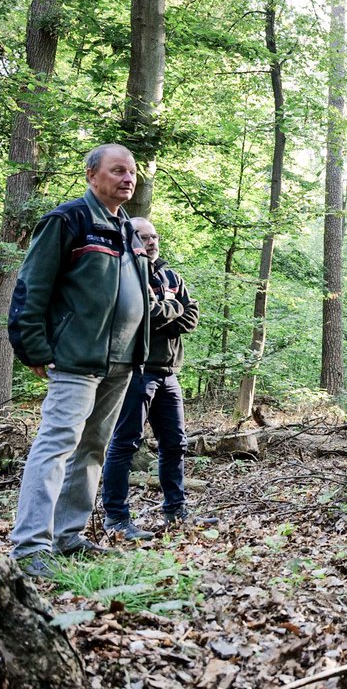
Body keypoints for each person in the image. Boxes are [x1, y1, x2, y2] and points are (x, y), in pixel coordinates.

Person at [7, 144, 150, 578]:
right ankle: (30, 546)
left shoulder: (127, 228)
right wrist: (33, 347)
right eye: (117, 170)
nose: (128, 178)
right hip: (76, 358)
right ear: (92, 175)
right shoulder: (67, 220)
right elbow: (31, 287)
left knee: (91, 448)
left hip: (121, 361)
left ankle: (68, 537)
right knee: (55, 446)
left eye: (132, 173)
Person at [100, 217, 211, 540]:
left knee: (175, 443)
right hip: (136, 370)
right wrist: (170, 309)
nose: (151, 242)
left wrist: (166, 308)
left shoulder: (171, 275)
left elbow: (191, 317)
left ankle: (175, 511)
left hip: (168, 373)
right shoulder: (124, 271)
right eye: (143, 237)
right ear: (131, 239)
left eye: (154, 236)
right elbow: (139, 316)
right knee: (126, 443)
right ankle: (117, 518)